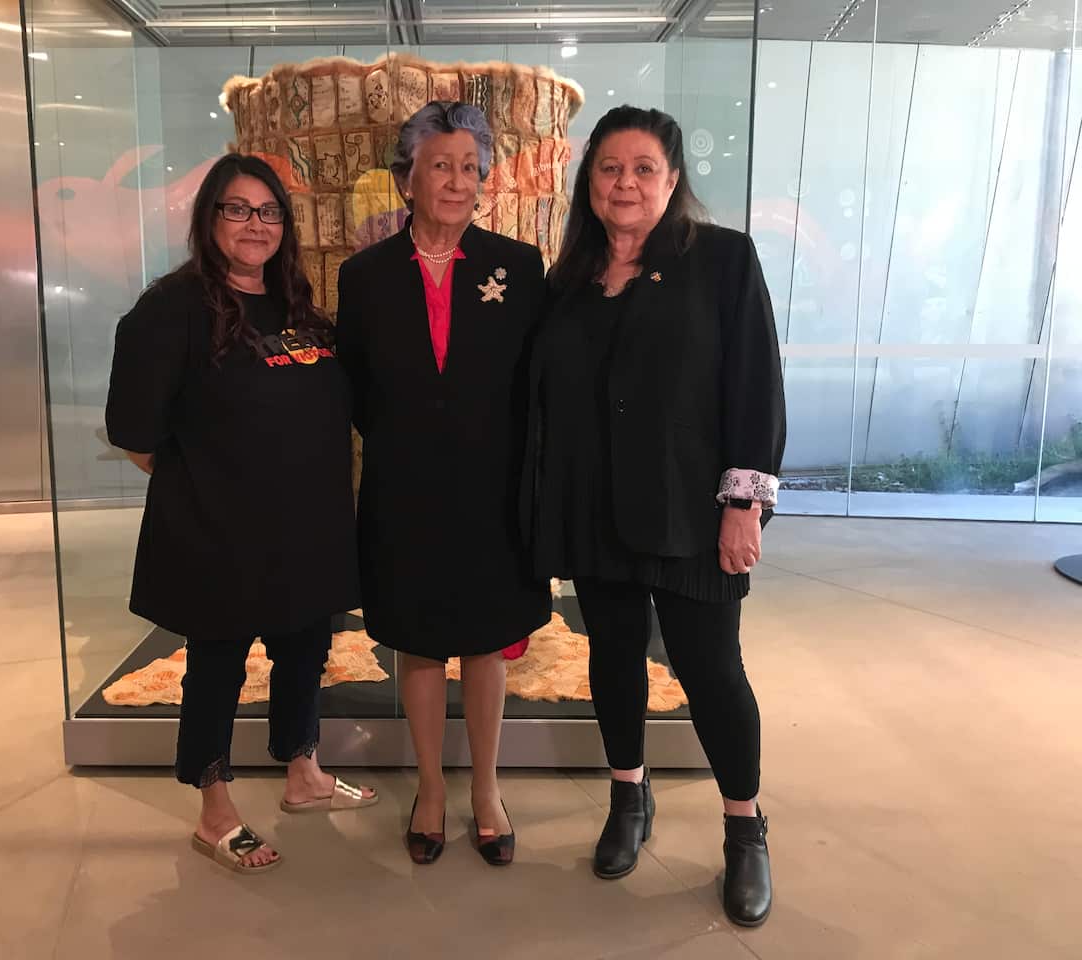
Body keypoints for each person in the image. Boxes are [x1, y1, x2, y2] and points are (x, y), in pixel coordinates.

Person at [524, 106, 785, 924]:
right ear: (589, 182)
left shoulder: (722, 260)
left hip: (691, 510)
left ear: (673, 180)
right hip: (595, 509)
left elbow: (755, 388)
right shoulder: (568, 278)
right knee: (612, 659)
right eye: (609, 168)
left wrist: (744, 505)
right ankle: (628, 798)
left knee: (710, 671)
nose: (625, 183)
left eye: (643, 168)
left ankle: (744, 828)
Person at [106, 153, 377, 877]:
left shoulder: (295, 306)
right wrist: (212, 481)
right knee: (218, 666)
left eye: (269, 212)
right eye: (238, 209)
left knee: (304, 650)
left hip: (307, 529)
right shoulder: (172, 309)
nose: (256, 225)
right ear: (209, 218)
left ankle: (303, 772)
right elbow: (134, 433)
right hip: (219, 533)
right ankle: (215, 809)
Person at [336, 101, 550, 867]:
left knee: (488, 641)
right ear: (407, 179)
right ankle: (430, 789)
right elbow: (354, 389)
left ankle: (486, 789)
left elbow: (534, 385)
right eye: (440, 166)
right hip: (404, 489)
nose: (458, 181)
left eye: (470, 167)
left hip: (494, 490)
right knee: (419, 641)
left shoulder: (517, 267)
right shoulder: (363, 276)